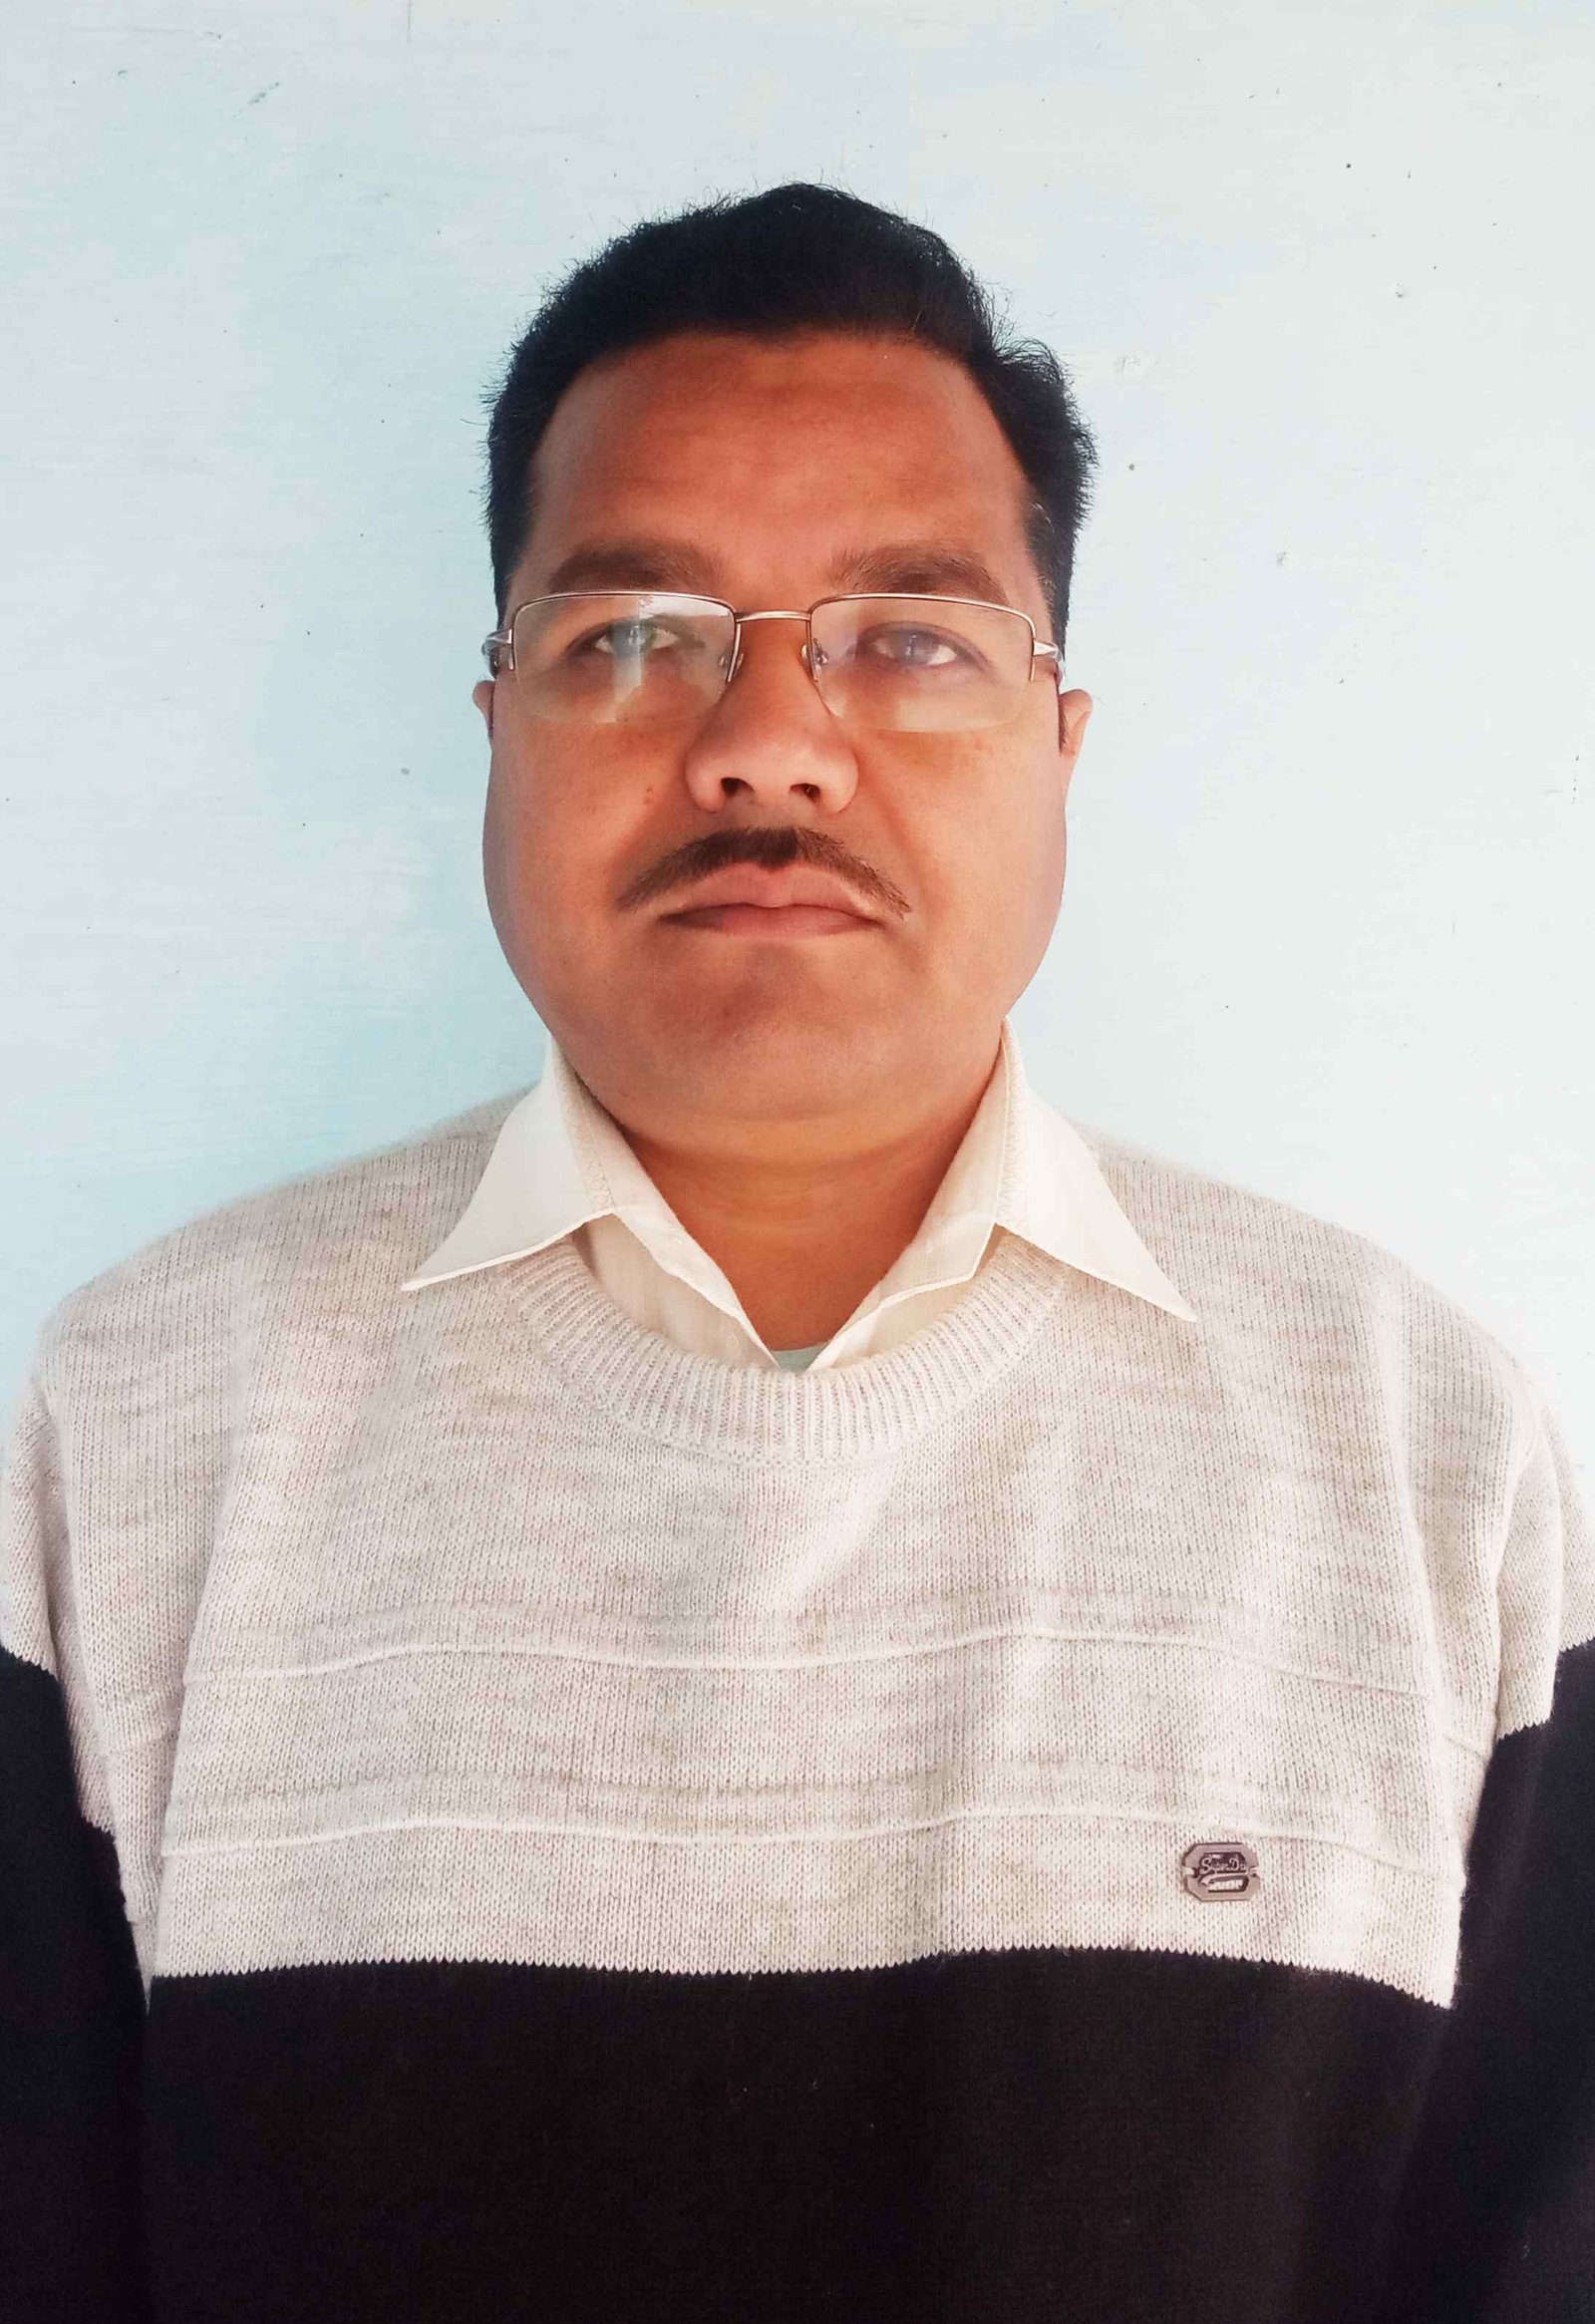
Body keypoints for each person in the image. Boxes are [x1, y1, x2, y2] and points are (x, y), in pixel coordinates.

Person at [1, 181, 1590, 2324]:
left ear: (1058, 741)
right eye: (630, 634)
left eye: (908, 636)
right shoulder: (140, 1429)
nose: (762, 739)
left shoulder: (1413, 1450)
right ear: (497, 727)